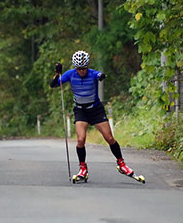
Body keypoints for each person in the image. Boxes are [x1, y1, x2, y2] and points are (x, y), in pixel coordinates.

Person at [50, 50, 135, 181]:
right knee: (80, 139)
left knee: (109, 138)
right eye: (79, 68)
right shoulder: (70, 74)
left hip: (96, 110)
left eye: (84, 68)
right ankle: (83, 168)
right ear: (75, 67)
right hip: (81, 111)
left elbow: (99, 75)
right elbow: (54, 85)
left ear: (88, 65)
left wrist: (101, 76)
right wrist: (57, 74)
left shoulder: (92, 73)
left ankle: (121, 164)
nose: (82, 71)